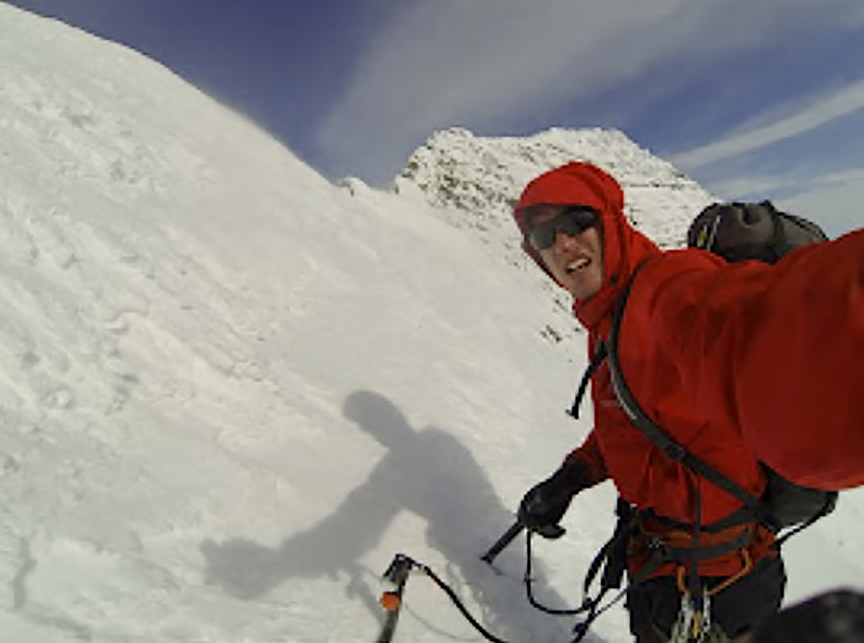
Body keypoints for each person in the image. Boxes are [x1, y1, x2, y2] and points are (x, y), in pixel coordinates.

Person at [511, 162, 864, 642]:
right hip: (657, 568)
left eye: (576, 222)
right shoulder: (606, 321)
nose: (563, 244)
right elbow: (633, 417)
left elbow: (758, 329)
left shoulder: (667, 287)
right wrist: (571, 478)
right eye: (544, 235)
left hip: (724, 583)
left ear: (611, 223)